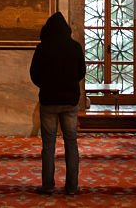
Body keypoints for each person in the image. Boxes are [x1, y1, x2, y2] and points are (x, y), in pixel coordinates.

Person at [29, 11, 86, 196]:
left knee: (48, 145)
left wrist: (46, 86)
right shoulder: (75, 47)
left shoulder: (42, 48)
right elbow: (81, 73)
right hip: (70, 102)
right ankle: (72, 187)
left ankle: (47, 185)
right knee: (71, 144)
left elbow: (34, 75)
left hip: (49, 101)